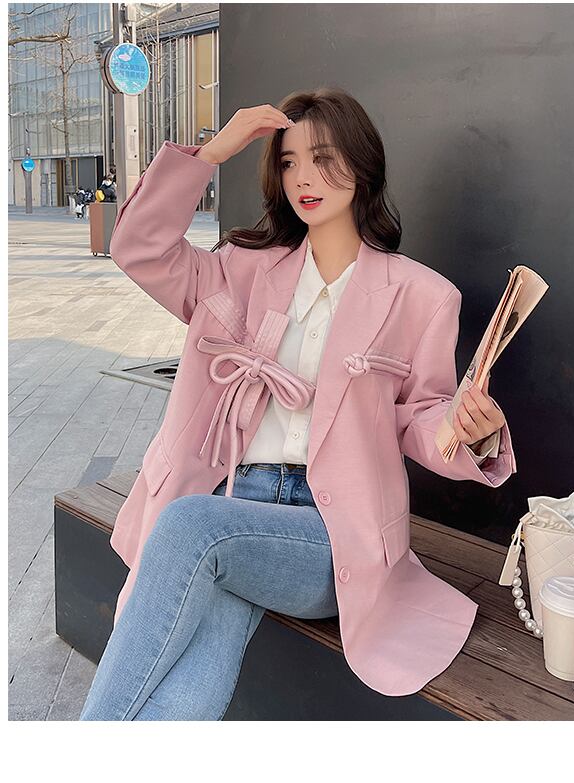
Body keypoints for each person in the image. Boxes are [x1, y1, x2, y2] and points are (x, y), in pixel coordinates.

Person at [79, 88, 516, 720]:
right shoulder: (240, 269)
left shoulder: (422, 295)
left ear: (363, 165)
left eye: (324, 158)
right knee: (203, 640)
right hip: (234, 504)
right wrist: (210, 155)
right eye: (289, 162)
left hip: (330, 532)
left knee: (190, 528)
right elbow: (138, 249)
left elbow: (422, 417)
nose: (304, 178)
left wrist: (468, 430)